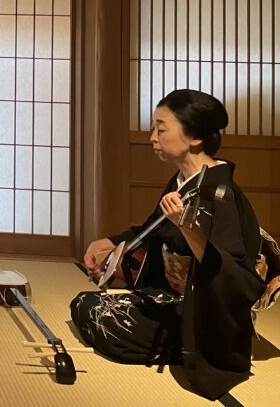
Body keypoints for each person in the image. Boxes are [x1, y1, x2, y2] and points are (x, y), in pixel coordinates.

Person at [72, 89, 263, 399]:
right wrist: (109, 242)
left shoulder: (222, 196)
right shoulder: (182, 182)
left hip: (203, 317)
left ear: (195, 137)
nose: (152, 137)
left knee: (107, 322)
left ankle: (183, 348)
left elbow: (235, 276)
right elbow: (152, 228)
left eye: (161, 129)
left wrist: (188, 228)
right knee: (85, 303)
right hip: (169, 299)